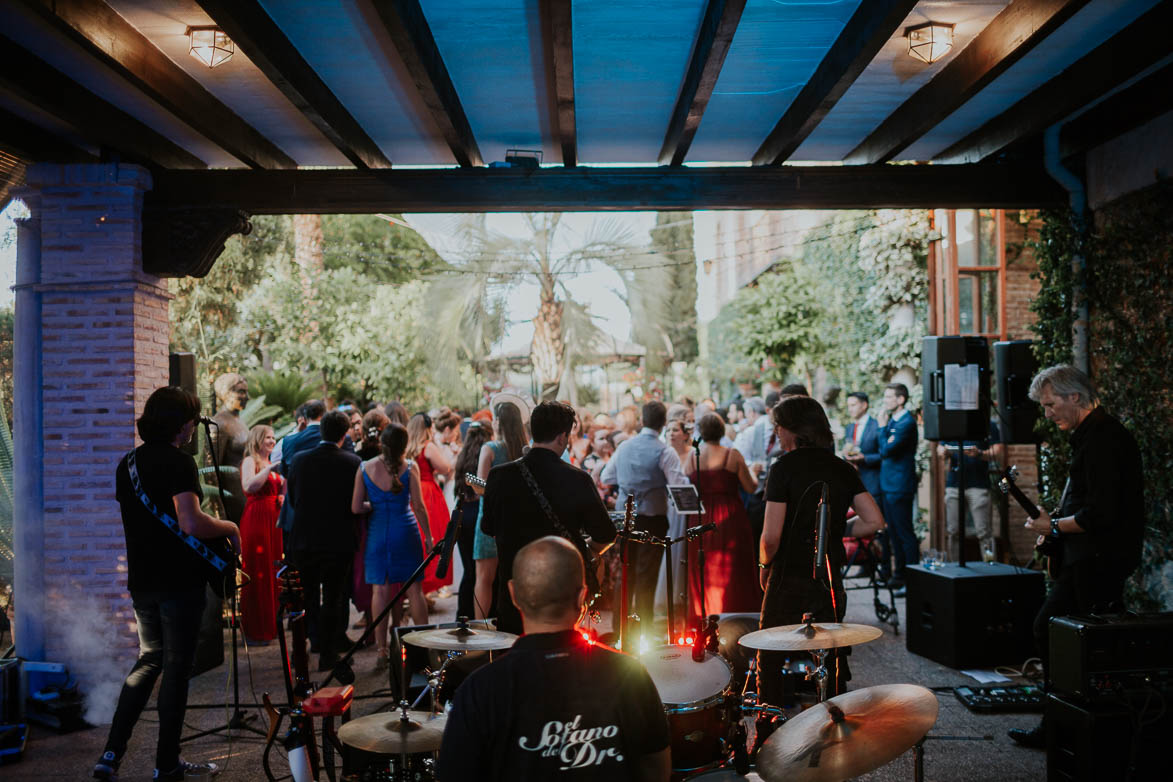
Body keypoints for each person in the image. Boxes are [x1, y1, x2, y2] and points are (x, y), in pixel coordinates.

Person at [93, 386, 240, 782]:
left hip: (143, 581)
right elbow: (190, 523)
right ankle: (167, 764)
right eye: (191, 418)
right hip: (179, 581)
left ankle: (110, 754)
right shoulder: (179, 463)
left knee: (148, 661)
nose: (194, 425)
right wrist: (230, 526)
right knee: (176, 668)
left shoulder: (127, 464)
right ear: (181, 424)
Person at [438, 537, 671, 782]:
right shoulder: (631, 674)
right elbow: (657, 770)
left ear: (514, 594)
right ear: (582, 597)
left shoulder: (479, 690)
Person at [1008, 365, 1145, 749]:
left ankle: (1072, 728)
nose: (1047, 414)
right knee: (1070, 639)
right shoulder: (1092, 436)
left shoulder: (1104, 439)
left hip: (1099, 559)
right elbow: (1083, 503)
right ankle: (1071, 726)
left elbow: (1099, 514)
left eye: (1051, 404)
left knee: (1055, 633)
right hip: (1089, 556)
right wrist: (1054, 531)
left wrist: (1053, 529)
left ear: (1075, 397)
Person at [758, 397, 885, 704]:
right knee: (830, 656)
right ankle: (831, 721)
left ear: (792, 430)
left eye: (778, 426)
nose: (776, 433)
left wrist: (763, 566)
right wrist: (835, 532)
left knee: (771, 655)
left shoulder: (782, 468)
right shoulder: (841, 467)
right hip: (828, 577)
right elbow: (874, 521)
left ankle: (767, 727)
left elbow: (770, 538)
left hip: (787, 576)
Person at [481, 402, 617, 636]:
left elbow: (488, 527)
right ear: (563, 437)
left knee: (514, 661)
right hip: (562, 596)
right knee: (561, 660)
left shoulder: (499, 476)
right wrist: (589, 551)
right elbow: (606, 534)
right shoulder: (578, 479)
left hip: (514, 594)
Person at [600, 401, 689, 641]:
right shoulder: (664, 451)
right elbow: (678, 484)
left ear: (642, 420)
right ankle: (645, 634)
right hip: (653, 519)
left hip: (625, 519)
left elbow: (606, 476)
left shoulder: (625, 447)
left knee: (625, 574)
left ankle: (621, 631)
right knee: (646, 576)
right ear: (662, 423)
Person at [286, 410, 362, 674]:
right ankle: (328, 653)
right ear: (345, 434)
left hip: (304, 538)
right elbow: (355, 503)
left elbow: (293, 498)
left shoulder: (298, 460)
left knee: (305, 596)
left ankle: (304, 648)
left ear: (321, 432)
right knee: (332, 596)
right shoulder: (352, 462)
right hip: (337, 539)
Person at [351, 423, 431, 668]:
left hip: (378, 535)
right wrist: (428, 536)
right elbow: (418, 506)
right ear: (404, 445)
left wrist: (372, 506)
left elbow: (355, 507)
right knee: (414, 591)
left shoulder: (365, 467)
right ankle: (424, 645)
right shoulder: (410, 467)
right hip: (405, 532)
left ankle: (382, 651)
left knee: (380, 592)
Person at [685, 413, 760, 622]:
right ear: (721, 430)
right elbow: (751, 487)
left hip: (700, 518)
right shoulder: (732, 455)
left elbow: (687, 487)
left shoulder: (692, 456)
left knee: (703, 568)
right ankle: (737, 617)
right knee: (734, 568)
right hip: (729, 517)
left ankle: (705, 615)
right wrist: (753, 471)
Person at [473, 400, 528, 620]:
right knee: (516, 577)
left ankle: (480, 629)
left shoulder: (490, 449)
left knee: (484, 578)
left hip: (491, 520)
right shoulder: (526, 450)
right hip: (517, 520)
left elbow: (480, 488)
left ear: (498, 422)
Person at [238, 424, 284, 644]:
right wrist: (269, 469)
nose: (273, 441)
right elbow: (249, 486)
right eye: (268, 437)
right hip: (256, 518)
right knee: (257, 571)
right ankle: (256, 629)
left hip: (274, 520)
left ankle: (272, 625)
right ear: (257, 439)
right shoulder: (251, 462)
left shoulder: (271, 463)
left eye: (274, 438)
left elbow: (281, 487)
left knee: (273, 570)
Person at [937, 419, 1003, 561]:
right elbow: (939, 449)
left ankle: (990, 567)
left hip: (978, 485)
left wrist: (979, 453)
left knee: (983, 531)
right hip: (954, 484)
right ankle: (955, 568)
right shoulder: (950, 423)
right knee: (953, 531)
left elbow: (997, 451)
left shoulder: (988, 424)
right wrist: (944, 452)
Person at [408, 412, 454, 596]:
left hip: (412, 493)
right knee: (434, 534)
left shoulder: (408, 447)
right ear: (427, 428)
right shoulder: (427, 447)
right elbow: (446, 468)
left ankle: (418, 587)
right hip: (428, 494)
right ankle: (428, 586)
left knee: (417, 538)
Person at [452, 420, 494, 619]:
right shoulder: (487, 455)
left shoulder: (462, 456)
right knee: (483, 572)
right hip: (479, 512)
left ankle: (463, 615)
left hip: (463, 514)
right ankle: (484, 615)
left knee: (469, 571)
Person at [878, 382, 918, 590]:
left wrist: (882, 427)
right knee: (892, 532)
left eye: (888, 398)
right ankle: (899, 575)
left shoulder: (906, 423)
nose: (885, 402)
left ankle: (913, 581)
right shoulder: (894, 421)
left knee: (905, 533)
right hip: (888, 485)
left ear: (900, 399)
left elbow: (886, 450)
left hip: (900, 485)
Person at [275, 399, 327, 541]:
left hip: (295, 510)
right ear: (323, 415)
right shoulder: (333, 439)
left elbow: (284, 472)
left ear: (304, 418)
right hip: (325, 510)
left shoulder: (289, 441)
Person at [210, 373, 250, 522]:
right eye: (241, 391)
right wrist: (218, 509)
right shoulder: (219, 424)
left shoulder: (240, 421)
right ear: (225, 393)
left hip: (245, 490)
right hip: (231, 495)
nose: (246, 397)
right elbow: (211, 470)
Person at [842, 391, 882, 501]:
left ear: (864, 405)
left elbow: (884, 454)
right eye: (848, 406)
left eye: (853, 405)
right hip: (853, 483)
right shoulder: (849, 428)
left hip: (872, 482)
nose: (850, 409)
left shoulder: (877, 426)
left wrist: (864, 458)